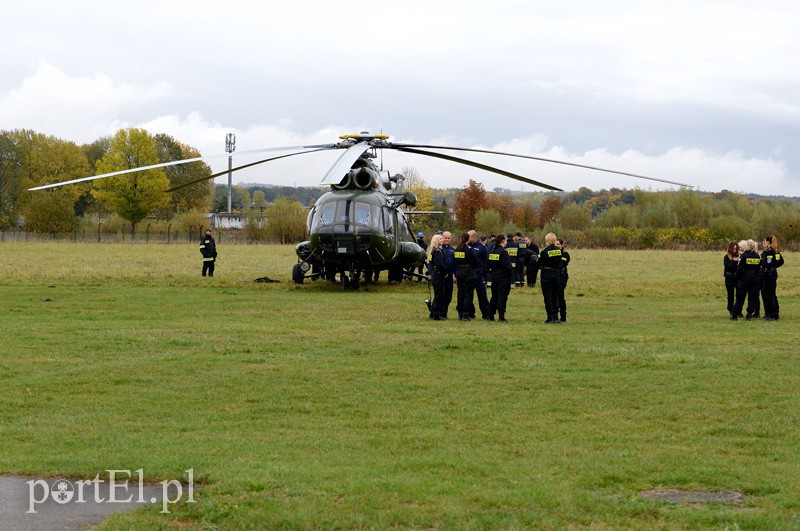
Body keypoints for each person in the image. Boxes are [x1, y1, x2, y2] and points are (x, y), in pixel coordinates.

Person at [732, 239, 761, 320]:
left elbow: (740, 268)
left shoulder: (744, 256)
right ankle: (749, 314)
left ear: (748, 246)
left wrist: (737, 277)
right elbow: (759, 268)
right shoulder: (757, 256)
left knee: (740, 297)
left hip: (745, 279)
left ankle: (734, 314)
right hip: (755, 279)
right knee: (752, 298)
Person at [487, 234, 513, 322]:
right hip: (503, 278)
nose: (506, 242)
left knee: (494, 296)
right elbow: (508, 266)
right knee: (502, 297)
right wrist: (511, 275)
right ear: (502, 241)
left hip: (494, 277)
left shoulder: (491, 251)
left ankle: (491, 315)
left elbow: (488, 264)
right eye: (505, 240)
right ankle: (501, 316)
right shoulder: (503, 252)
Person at [538, 232, 562, 324]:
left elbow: (539, 263)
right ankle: (556, 317)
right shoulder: (558, 250)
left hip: (546, 275)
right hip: (556, 274)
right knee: (555, 296)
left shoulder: (544, 251)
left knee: (547, 296)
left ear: (547, 241)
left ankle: (550, 317)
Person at [454, 232, 478, 321]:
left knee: (460, 293)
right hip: (469, 273)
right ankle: (465, 313)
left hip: (459, 272)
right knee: (468, 294)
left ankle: (460, 312)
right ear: (468, 239)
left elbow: (455, 261)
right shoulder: (469, 249)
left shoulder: (457, 249)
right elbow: (475, 261)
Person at [760, 235, 785, 321]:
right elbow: (780, 262)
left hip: (769, 274)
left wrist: (761, 262)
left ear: (768, 242)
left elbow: (768, 263)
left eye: (765, 241)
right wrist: (775, 266)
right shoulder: (776, 251)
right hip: (772, 273)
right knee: (771, 294)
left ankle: (772, 314)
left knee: (769, 294)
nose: (764, 243)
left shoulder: (770, 252)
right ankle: (772, 313)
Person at [469, 230, 490, 320]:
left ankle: (486, 314)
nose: (467, 238)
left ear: (474, 237)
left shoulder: (482, 247)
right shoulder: (466, 246)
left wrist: (483, 273)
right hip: (469, 274)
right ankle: (470, 313)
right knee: (468, 295)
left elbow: (486, 261)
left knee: (482, 295)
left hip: (478, 274)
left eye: (469, 236)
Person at [426, 234, 446, 320]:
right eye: (440, 239)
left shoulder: (433, 251)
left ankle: (432, 312)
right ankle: (436, 314)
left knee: (437, 295)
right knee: (439, 295)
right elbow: (440, 265)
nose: (442, 240)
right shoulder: (437, 252)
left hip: (435, 275)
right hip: (438, 276)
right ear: (436, 241)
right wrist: (445, 272)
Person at [440, 231, 455, 319]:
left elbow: (455, 264)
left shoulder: (453, 250)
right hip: (441, 276)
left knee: (448, 295)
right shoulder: (439, 249)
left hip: (449, 276)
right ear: (442, 238)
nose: (447, 239)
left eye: (448, 238)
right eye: (445, 238)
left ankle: (444, 313)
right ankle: (439, 313)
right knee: (441, 295)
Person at [723, 241, 740, 318]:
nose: (734, 250)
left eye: (736, 249)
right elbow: (728, 267)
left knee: (739, 294)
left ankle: (737, 310)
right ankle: (731, 309)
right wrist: (734, 261)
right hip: (729, 277)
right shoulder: (726, 257)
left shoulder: (739, 256)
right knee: (730, 294)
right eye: (733, 249)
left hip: (737, 278)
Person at [555, 238, 570, 322]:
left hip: (562, 276)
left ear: (562, 245)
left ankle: (563, 316)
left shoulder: (565, 254)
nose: (556, 246)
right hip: (555, 276)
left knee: (560, 296)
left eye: (558, 244)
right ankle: (555, 316)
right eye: (555, 244)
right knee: (555, 296)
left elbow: (561, 264)